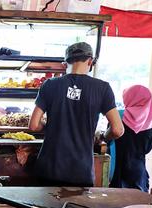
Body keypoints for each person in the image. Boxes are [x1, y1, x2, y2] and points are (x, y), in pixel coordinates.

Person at [29, 42, 124, 187]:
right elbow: (118, 130)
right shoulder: (103, 88)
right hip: (80, 170)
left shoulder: (50, 84)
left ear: (65, 63)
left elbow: (34, 125)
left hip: (49, 167)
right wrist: (104, 136)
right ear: (90, 61)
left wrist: (52, 125)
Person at [110, 85, 152, 192]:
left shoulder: (119, 116)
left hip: (117, 171)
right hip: (139, 174)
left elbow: (109, 141)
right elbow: (148, 149)